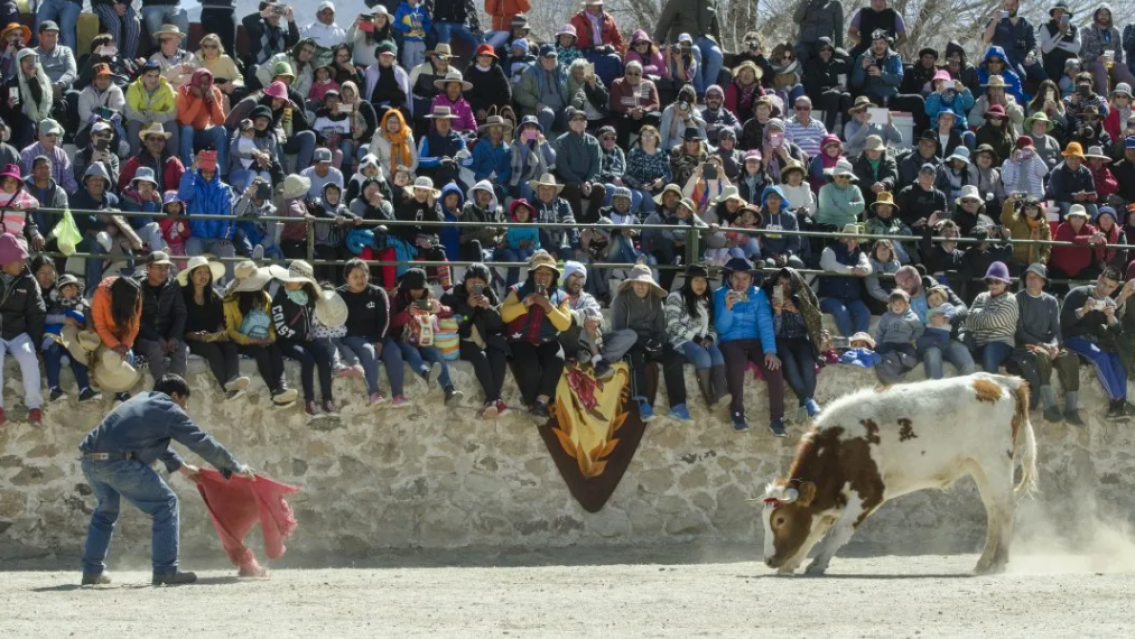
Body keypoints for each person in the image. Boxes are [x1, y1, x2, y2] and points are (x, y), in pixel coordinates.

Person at [78, 373, 255, 586]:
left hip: (90, 462)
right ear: (174, 395)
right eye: (184, 400)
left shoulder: (142, 400)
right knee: (166, 503)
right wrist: (234, 466)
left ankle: (92, 571)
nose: (185, 408)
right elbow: (201, 441)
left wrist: (182, 468)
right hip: (119, 463)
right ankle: (165, 570)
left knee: (105, 512)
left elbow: (155, 442)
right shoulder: (168, 408)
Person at [611, 263, 689, 422]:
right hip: (630, 341)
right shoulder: (620, 300)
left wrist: (660, 342)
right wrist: (639, 340)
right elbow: (618, 330)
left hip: (652, 341)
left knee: (673, 355)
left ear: (649, 284)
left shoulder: (656, 300)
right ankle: (643, 404)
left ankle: (679, 405)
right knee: (636, 357)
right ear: (631, 283)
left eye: (644, 282)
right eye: (637, 282)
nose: (640, 285)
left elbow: (661, 328)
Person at [714, 257, 783, 434]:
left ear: (752, 280)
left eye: (745, 278)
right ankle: (737, 412)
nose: (740, 283)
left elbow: (765, 323)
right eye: (736, 278)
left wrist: (770, 351)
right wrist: (728, 308)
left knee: (774, 367)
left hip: (756, 341)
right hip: (731, 340)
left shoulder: (759, 294)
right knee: (736, 365)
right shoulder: (720, 294)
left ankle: (777, 419)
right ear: (730, 278)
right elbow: (721, 329)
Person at [500, 250, 571, 418]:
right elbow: (505, 315)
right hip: (521, 339)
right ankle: (535, 403)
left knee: (558, 359)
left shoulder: (561, 296)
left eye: (548, 273)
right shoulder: (517, 290)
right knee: (529, 364)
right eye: (539, 272)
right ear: (532, 274)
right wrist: (524, 305)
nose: (543, 277)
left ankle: (542, 401)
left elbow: (565, 324)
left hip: (547, 340)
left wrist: (548, 307)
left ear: (554, 276)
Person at [1010, 262, 1082, 424]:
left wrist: (1055, 346)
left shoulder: (1051, 301)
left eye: (1037, 277)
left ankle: (1071, 409)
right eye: (1030, 277)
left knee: (1071, 357)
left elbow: (1056, 330)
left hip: (1049, 345)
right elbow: (1020, 332)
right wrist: (1043, 345)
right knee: (1042, 356)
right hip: (1025, 346)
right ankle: (1049, 407)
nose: (1032, 280)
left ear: (1043, 282)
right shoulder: (1017, 299)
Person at [223, 260, 299, 407]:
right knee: (261, 354)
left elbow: (271, 324)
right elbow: (230, 330)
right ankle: (274, 391)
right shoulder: (229, 301)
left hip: (263, 339)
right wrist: (250, 340)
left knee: (275, 350)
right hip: (242, 341)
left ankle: (282, 386)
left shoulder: (265, 298)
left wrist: (270, 337)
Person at [441, 263, 511, 418]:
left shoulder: (489, 295)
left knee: (499, 354)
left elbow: (497, 325)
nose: (476, 286)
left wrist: (488, 309)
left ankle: (491, 401)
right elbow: (453, 325)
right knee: (481, 357)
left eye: (481, 283)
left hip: (485, 337)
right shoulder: (451, 295)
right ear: (465, 280)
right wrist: (468, 308)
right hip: (460, 340)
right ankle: (495, 400)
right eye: (473, 282)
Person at [269, 261, 338, 418]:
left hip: (306, 338)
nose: (288, 281)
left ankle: (327, 399)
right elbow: (281, 328)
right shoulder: (280, 298)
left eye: (294, 278)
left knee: (324, 355)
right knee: (307, 359)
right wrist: (302, 336)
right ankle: (310, 401)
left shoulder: (308, 297)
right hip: (286, 340)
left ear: (301, 282)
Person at [178, 255, 251, 400]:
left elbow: (219, 321)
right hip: (191, 338)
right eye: (199, 272)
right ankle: (228, 389)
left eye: (206, 272)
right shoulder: (182, 296)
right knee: (213, 351)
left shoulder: (214, 296)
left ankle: (233, 379)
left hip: (211, 336)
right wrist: (197, 335)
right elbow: (180, 327)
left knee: (229, 345)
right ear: (191, 276)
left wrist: (219, 333)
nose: (203, 276)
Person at [1061, 267, 1129, 420]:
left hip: (1096, 342)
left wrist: (1111, 318)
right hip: (1073, 338)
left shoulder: (1110, 302)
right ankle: (1118, 400)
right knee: (1100, 357)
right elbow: (1063, 323)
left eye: (1111, 286)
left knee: (1118, 360)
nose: (1105, 289)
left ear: (1115, 287)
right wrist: (1083, 311)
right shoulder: (1078, 293)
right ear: (1098, 278)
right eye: (1103, 283)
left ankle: (1117, 409)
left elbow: (1117, 331)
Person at [0, 233, 44, 425]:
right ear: (5, 262)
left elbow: (37, 311)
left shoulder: (28, 279)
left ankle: (34, 406)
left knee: (29, 357)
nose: (23, 263)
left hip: (18, 331)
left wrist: (34, 342)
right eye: (19, 259)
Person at [178, 151, 236, 278]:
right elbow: (183, 195)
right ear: (199, 171)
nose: (209, 174)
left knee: (228, 249)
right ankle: (193, 286)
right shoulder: (193, 187)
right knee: (191, 249)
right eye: (205, 171)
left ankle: (230, 287)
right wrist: (192, 169)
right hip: (196, 236)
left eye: (211, 172)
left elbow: (229, 216)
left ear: (216, 172)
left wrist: (225, 237)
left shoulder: (225, 189)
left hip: (217, 238)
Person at [91, 275, 143, 405]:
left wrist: (125, 345)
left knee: (128, 355)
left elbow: (134, 325)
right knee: (111, 356)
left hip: (123, 334)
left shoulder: (136, 294)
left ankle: (122, 394)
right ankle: (117, 390)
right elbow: (100, 325)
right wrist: (114, 345)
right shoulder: (101, 294)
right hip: (103, 336)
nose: (135, 301)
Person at [653, 0, 722, 96]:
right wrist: (657, 40)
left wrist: (720, 45)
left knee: (717, 55)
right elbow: (665, 20)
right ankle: (699, 92)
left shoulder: (711, 1)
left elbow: (715, 25)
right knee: (694, 50)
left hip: (705, 38)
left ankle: (708, 92)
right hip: (685, 39)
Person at [819, 223, 873, 337]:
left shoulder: (860, 254)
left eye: (854, 238)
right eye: (847, 237)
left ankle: (860, 343)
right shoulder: (829, 250)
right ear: (840, 237)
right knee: (841, 312)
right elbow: (829, 265)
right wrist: (852, 270)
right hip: (829, 297)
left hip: (852, 299)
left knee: (865, 313)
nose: (850, 240)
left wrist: (863, 270)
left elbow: (869, 268)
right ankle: (850, 344)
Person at [176, 69, 228, 174]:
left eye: (206, 83)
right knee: (187, 129)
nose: (203, 86)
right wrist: (199, 99)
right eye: (200, 83)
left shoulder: (215, 92)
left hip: (202, 132)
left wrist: (213, 101)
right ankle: (189, 171)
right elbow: (186, 121)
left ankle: (222, 172)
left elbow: (219, 121)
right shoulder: (184, 90)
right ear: (194, 81)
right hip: (185, 134)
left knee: (220, 130)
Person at [124, 62, 178, 159]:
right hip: (141, 126)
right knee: (133, 122)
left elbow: (172, 114)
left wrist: (151, 114)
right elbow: (130, 113)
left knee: (171, 124)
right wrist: (158, 115)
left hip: (159, 127)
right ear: (143, 76)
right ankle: (133, 160)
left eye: (156, 76)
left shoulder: (167, 88)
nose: (153, 80)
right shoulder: (133, 87)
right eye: (149, 76)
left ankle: (172, 160)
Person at [514, 44, 568, 134]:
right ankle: (533, 144)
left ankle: (571, 146)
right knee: (547, 114)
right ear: (540, 58)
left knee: (573, 115)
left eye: (553, 57)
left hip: (560, 111)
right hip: (537, 111)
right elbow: (520, 93)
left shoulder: (564, 71)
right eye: (547, 57)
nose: (550, 60)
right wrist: (537, 104)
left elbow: (576, 90)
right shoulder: (529, 72)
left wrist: (573, 105)